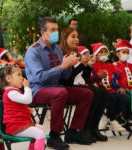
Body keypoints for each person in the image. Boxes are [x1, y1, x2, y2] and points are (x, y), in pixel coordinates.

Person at [25, 17, 93, 150]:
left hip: (56, 88)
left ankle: (73, 131)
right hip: (38, 90)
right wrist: (61, 67)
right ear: (43, 32)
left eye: (57, 29)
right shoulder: (33, 51)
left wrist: (69, 66)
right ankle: (54, 135)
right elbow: (40, 77)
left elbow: (65, 76)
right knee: (60, 93)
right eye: (52, 30)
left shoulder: (57, 50)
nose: (56, 32)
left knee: (87, 94)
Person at [59, 27, 108, 142]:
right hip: (63, 86)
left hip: (74, 85)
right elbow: (67, 79)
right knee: (92, 92)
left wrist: (87, 65)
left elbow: (85, 78)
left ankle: (93, 128)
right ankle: (83, 129)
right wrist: (82, 64)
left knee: (103, 92)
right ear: (65, 38)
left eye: (77, 37)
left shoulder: (74, 53)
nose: (77, 39)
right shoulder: (62, 53)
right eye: (73, 37)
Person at [0, 64, 46, 150]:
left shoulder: (14, 92)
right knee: (40, 134)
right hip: (15, 126)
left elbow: (15, 106)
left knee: (42, 129)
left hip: (21, 124)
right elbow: (27, 100)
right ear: (8, 78)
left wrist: (25, 109)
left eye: (21, 75)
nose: (22, 78)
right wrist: (27, 87)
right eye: (18, 75)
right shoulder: (10, 92)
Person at [91, 42, 131, 132]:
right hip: (101, 92)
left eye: (105, 52)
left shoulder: (111, 66)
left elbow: (122, 76)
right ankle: (113, 119)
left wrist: (122, 87)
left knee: (127, 97)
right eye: (101, 52)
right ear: (95, 55)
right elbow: (90, 80)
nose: (104, 54)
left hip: (112, 90)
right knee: (112, 98)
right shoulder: (93, 66)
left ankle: (112, 116)